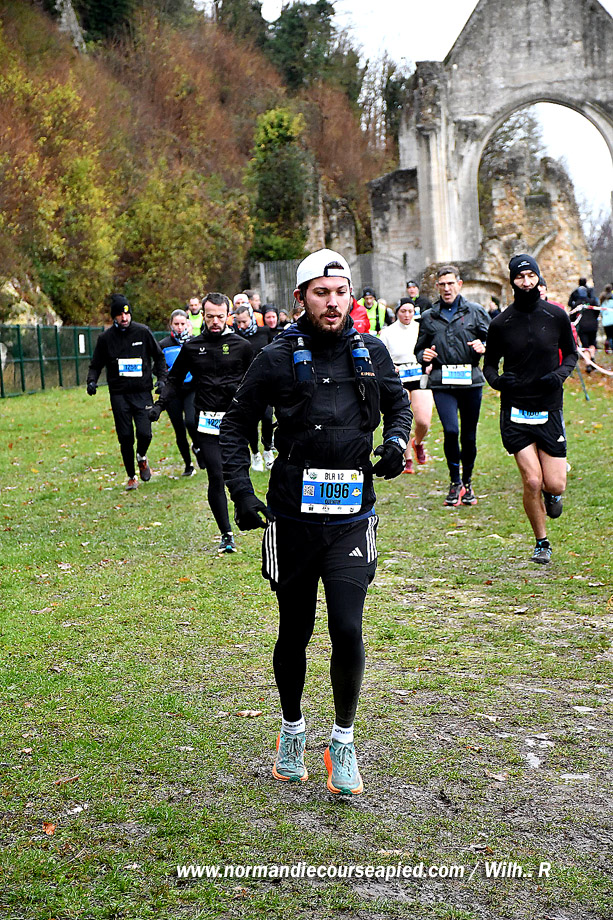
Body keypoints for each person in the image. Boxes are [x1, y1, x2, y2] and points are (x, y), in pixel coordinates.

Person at [220, 248, 412, 795]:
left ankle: (343, 740)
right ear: (301, 298)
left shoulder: (371, 350)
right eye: (321, 293)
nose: (332, 302)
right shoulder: (275, 357)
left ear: (351, 296)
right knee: (296, 630)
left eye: (340, 292)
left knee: (347, 627)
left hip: (352, 517)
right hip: (291, 519)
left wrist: (397, 443)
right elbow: (235, 426)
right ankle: (292, 730)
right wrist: (241, 494)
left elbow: (398, 406)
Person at [484, 254, 577, 564]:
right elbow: (489, 366)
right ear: (512, 281)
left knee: (554, 483)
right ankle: (541, 542)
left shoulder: (556, 315)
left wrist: (559, 375)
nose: (526, 282)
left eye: (531, 276)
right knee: (532, 481)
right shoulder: (501, 323)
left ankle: (553, 494)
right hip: (515, 410)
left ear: (538, 278)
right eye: (520, 277)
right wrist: (498, 382)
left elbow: (571, 355)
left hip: (549, 406)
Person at [153, 293, 253, 554]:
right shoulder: (192, 347)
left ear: (228, 316)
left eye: (220, 317)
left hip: (234, 421)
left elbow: (257, 381)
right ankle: (226, 534)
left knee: (238, 473)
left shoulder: (242, 346)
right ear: (203, 317)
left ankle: (242, 509)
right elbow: (174, 379)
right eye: (210, 317)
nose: (215, 321)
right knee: (216, 475)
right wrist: (159, 405)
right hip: (207, 422)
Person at [415, 265, 490, 506]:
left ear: (459, 284)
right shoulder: (429, 316)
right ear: (437, 287)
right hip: (442, 381)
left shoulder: (475, 312)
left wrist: (484, 347)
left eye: (451, 283)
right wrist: (423, 356)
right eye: (442, 284)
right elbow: (419, 349)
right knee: (450, 431)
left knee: (468, 435)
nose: (447, 288)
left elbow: (493, 340)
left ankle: (467, 482)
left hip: (470, 382)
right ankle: (454, 481)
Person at [86, 294, 167, 491]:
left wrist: (161, 379)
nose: (124, 318)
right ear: (114, 317)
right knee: (125, 436)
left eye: (127, 314)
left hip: (142, 391)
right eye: (120, 315)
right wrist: (91, 381)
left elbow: (159, 356)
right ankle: (131, 476)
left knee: (145, 433)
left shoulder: (143, 332)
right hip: (119, 393)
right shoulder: (106, 339)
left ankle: (142, 456)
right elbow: (96, 364)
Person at [380, 298, 433, 473]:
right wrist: (390, 367)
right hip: (399, 377)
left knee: (423, 421)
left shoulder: (421, 328)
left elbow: (431, 348)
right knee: (404, 419)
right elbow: (382, 355)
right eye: (403, 311)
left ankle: (418, 442)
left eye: (410, 311)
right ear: (397, 312)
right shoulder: (388, 332)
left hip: (419, 375)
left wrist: (430, 363)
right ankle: (407, 458)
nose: (407, 315)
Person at [234, 304, 275, 471]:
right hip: (245, 385)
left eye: (244, 321)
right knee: (251, 421)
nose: (241, 325)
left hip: (265, 383)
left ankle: (267, 449)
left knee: (267, 417)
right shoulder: (235, 337)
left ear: (251, 318)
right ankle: (255, 453)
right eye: (238, 322)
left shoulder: (264, 332)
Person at [158, 309, 197, 476]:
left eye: (182, 323)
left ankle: (197, 445)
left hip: (191, 388)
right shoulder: (163, 345)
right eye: (176, 324)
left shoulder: (195, 342)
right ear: (171, 325)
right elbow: (158, 367)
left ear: (188, 324)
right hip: (173, 391)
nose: (180, 327)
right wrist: (163, 380)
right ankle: (188, 465)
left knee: (191, 421)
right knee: (179, 428)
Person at [599, 284, 613, 355]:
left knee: (608, 336)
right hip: (612, 321)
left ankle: (607, 344)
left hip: (605, 322)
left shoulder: (603, 303)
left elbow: (601, 312)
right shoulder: (612, 302)